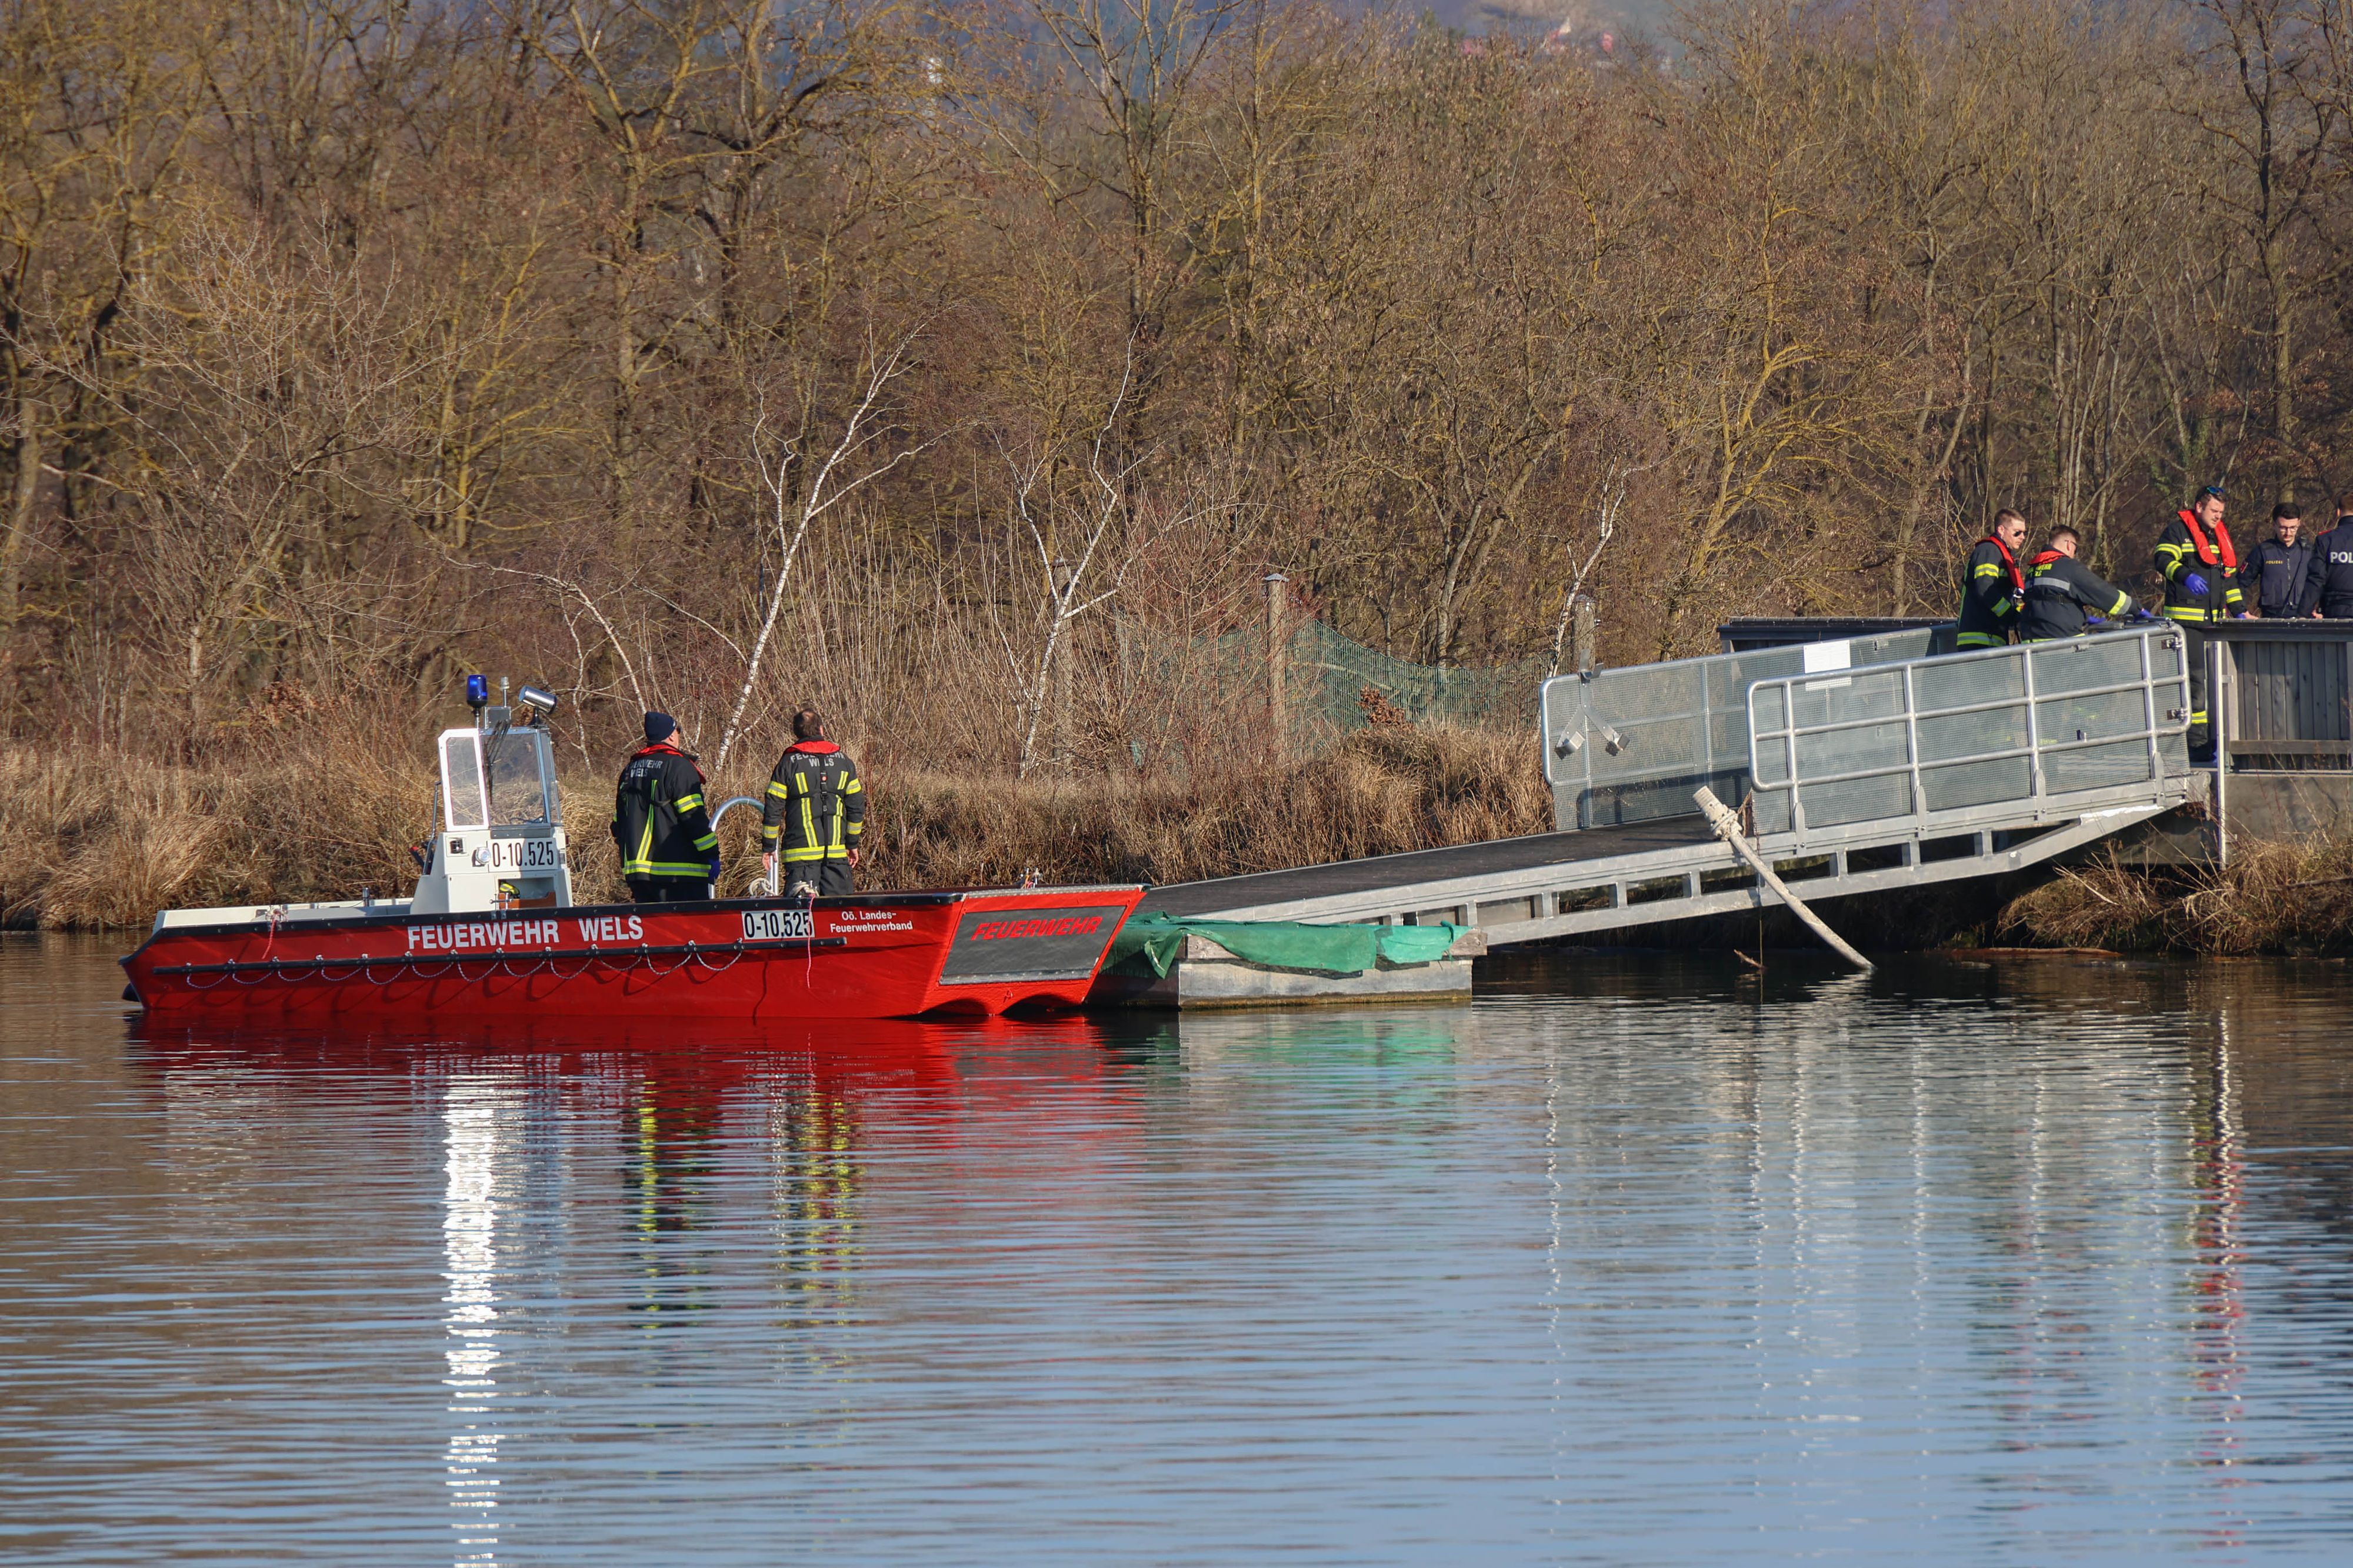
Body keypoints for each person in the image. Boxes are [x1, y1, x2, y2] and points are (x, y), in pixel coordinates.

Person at [2153, 484, 2244, 761]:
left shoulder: (2219, 536)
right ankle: (2196, 745)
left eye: (2221, 512)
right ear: (2199, 507)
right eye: (2214, 511)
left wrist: (2239, 610)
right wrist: (2184, 576)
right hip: (2186, 622)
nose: (2218, 516)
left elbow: (2228, 578)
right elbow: (2162, 559)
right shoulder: (2177, 530)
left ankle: (2214, 740)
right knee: (2196, 682)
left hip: (2215, 623)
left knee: (2217, 683)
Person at [611, 712, 719, 903]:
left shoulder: (629, 771)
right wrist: (712, 854)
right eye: (678, 731)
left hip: (639, 877)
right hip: (681, 876)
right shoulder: (679, 766)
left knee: (653, 932)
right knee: (690, 932)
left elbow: (617, 825)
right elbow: (693, 819)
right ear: (671, 735)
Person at [761, 708, 865, 900]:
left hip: (801, 858)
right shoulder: (844, 762)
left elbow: (773, 807)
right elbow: (857, 806)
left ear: (796, 733)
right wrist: (852, 843)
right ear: (821, 730)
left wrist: (769, 846)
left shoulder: (788, 763)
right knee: (838, 917)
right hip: (837, 857)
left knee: (800, 921)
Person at [2018, 525, 2147, 641]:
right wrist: (2134, 608)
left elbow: (2050, 603)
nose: (2075, 554)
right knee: (2103, 667)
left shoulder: (2033, 570)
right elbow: (2101, 591)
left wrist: (2084, 617)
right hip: (2061, 642)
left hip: (2031, 644)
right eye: (2076, 549)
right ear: (2069, 544)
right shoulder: (2067, 566)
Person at [1956, 508, 2028, 649]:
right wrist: (2010, 615)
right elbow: (1984, 588)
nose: (2022, 537)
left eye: (2024, 533)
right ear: (2001, 530)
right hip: (1980, 639)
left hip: (1992, 638)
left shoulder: (2001, 554)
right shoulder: (1989, 551)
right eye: (2017, 532)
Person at [2238, 503, 2313, 619]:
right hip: (2271, 618)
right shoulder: (2263, 551)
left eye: (2293, 528)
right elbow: (2241, 582)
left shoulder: (2309, 551)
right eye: (2283, 528)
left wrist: (2320, 610)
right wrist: (2243, 611)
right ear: (2274, 525)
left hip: (2303, 617)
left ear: (2299, 523)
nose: (2288, 533)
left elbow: (2322, 582)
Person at [2296, 509, 2353, 619]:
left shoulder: (2326, 539)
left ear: (2338, 512)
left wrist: (2303, 613)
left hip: (2335, 611)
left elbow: (2317, 578)